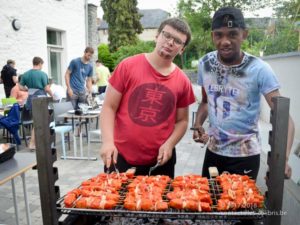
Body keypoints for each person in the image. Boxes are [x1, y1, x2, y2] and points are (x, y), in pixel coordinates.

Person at [193, 7, 295, 181]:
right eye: (219, 35)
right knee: (208, 203)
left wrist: (282, 160)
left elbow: (285, 119)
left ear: (244, 34)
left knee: (239, 206)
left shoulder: (259, 69)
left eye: (232, 34)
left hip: (245, 156)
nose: (225, 41)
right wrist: (197, 125)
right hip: (213, 151)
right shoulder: (205, 64)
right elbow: (205, 101)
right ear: (212, 36)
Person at [100, 18, 195, 178]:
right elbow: (109, 107)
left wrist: (170, 144)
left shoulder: (183, 81)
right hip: (120, 156)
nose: (170, 42)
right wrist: (107, 142)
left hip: (160, 162)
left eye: (177, 41)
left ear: (182, 49)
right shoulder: (127, 66)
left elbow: (182, 121)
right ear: (157, 36)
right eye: (166, 35)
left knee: (160, 203)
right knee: (116, 202)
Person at [19, 56, 53, 150]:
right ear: (40, 64)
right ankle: (32, 144)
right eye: (42, 65)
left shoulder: (25, 74)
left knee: (36, 122)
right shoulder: (42, 74)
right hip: (40, 100)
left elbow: (20, 87)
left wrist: (29, 89)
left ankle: (37, 143)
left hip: (30, 100)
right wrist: (52, 95)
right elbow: (46, 88)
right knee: (39, 123)